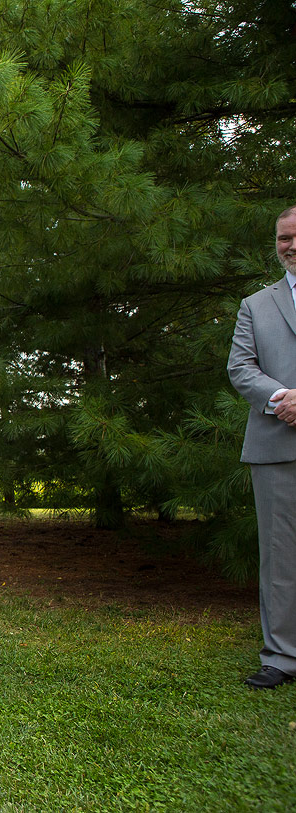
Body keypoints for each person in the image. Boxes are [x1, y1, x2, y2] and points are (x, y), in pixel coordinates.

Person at [227, 205, 296, 690]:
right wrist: (282, 399)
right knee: (280, 557)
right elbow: (241, 369)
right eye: (282, 239)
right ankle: (282, 657)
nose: (290, 246)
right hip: (276, 444)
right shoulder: (256, 305)